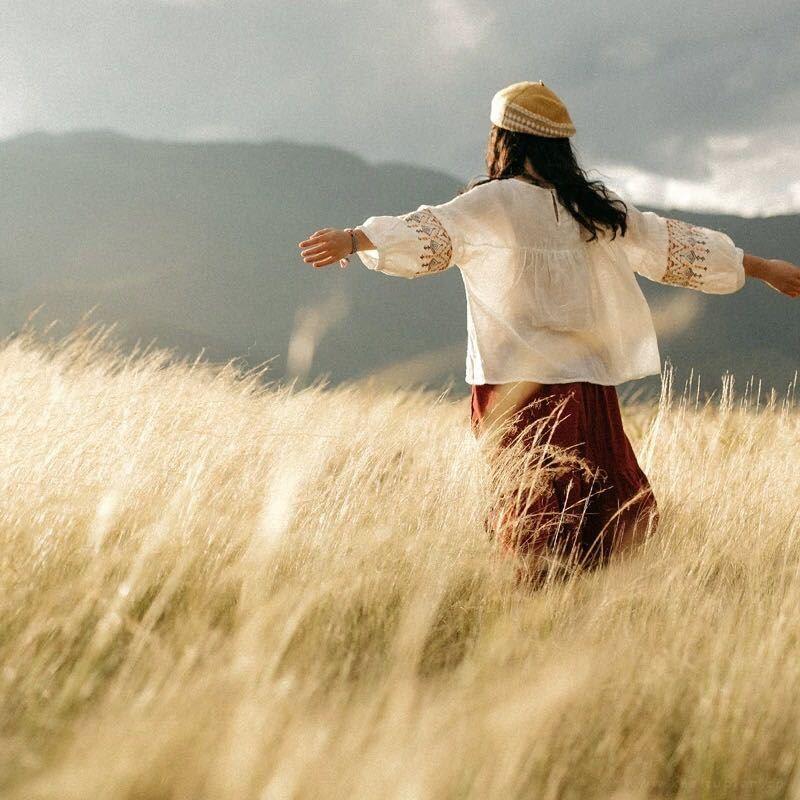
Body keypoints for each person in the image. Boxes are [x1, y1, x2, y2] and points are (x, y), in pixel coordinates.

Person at [298, 80, 800, 585]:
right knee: (597, 517)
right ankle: (591, 622)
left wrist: (354, 239)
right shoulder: (593, 207)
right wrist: (761, 268)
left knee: (531, 516)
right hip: (586, 385)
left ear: (505, 140)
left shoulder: (494, 202)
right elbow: (670, 244)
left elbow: (431, 229)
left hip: (517, 387)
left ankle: (533, 627)